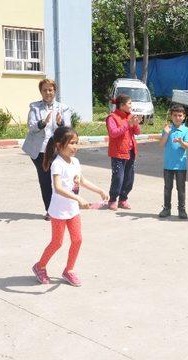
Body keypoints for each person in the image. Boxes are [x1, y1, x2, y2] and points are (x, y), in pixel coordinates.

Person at [32, 127, 108, 287]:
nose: (75, 146)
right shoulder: (57, 164)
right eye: (71, 143)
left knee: (77, 240)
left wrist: (99, 190)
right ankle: (40, 266)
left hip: (73, 210)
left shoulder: (76, 162)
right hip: (59, 211)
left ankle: (69, 270)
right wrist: (78, 198)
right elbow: (58, 188)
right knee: (57, 242)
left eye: (76, 143)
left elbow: (81, 180)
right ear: (59, 145)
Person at [22, 79, 71, 220]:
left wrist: (61, 123)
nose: (48, 92)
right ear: (41, 92)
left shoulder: (63, 108)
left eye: (50, 90)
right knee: (45, 181)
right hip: (39, 151)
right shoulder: (35, 107)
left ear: (55, 91)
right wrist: (42, 123)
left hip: (57, 151)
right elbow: (31, 126)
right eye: (45, 90)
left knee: (59, 181)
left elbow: (68, 129)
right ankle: (50, 210)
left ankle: (61, 209)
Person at [106, 93, 141, 210]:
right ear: (121, 105)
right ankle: (112, 200)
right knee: (118, 177)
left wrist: (135, 124)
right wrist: (128, 124)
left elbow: (137, 132)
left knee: (129, 178)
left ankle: (123, 199)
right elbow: (113, 133)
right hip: (118, 153)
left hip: (130, 151)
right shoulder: (112, 117)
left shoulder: (129, 116)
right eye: (129, 103)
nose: (131, 105)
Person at [158, 104, 188, 219]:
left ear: (184, 117)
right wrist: (166, 133)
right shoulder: (167, 129)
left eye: (179, 115)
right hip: (168, 165)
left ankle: (182, 209)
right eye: (175, 115)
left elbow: (186, 146)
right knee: (167, 188)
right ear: (171, 116)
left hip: (180, 165)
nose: (177, 117)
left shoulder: (186, 130)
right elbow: (161, 145)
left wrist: (181, 142)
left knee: (181, 188)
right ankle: (166, 208)